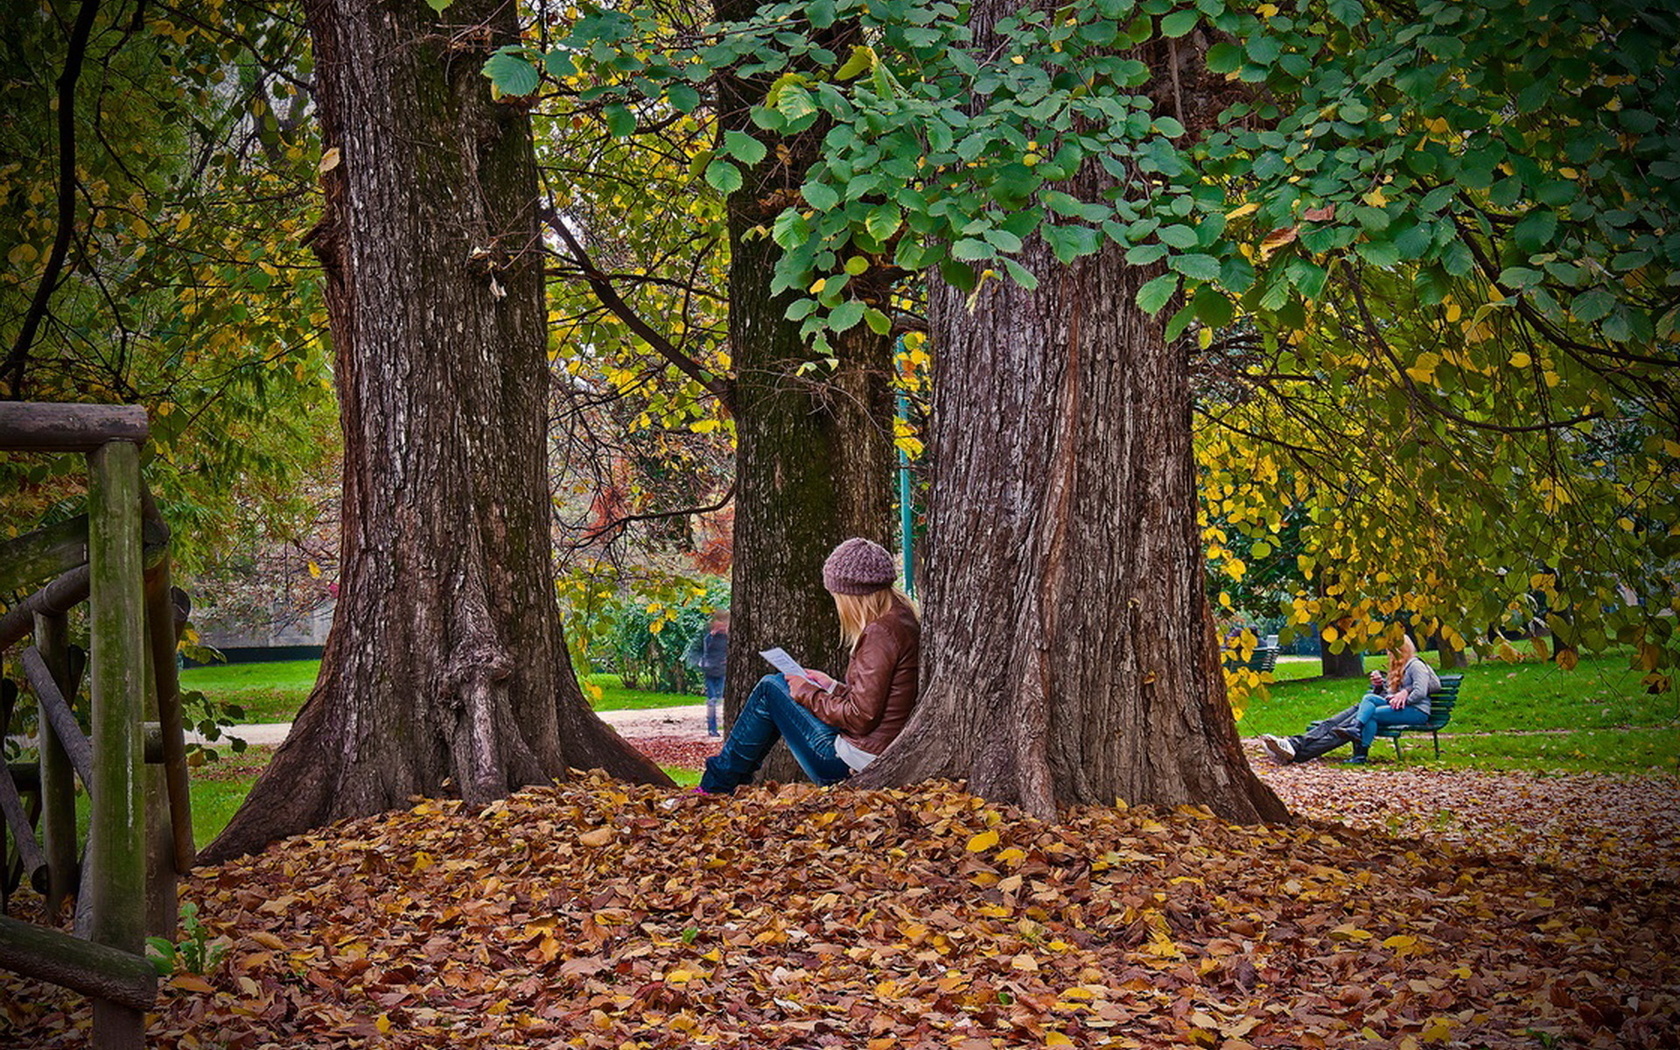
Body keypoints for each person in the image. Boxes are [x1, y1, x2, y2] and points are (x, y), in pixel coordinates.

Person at [697, 538, 919, 795]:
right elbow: (878, 700)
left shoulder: (880, 632)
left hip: (852, 761)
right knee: (775, 687)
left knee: (771, 688)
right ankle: (721, 781)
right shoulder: (900, 617)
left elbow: (860, 718)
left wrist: (807, 692)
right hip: (873, 750)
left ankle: (715, 785)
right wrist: (831, 686)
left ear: (852, 595)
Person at [1342, 634, 1441, 764]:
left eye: (1391, 650)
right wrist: (1379, 686)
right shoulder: (1398, 668)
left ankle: (1360, 755)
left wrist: (1405, 697)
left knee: (1372, 715)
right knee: (1369, 698)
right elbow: (1390, 694)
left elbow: (1420, 692)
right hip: (1402, 707)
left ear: (1401, 650)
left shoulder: (1415, 665)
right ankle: (1355, 727)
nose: (1389, 653)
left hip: (1417, 711)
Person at [686, 608, 730, 736]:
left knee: (720, 700)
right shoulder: (709, 636)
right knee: (712, 701)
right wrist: (711, 635)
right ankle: (712, 728)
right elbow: (704, 649)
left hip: (723, 671)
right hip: (711, 670)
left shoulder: (728, 636)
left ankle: (723, 726)